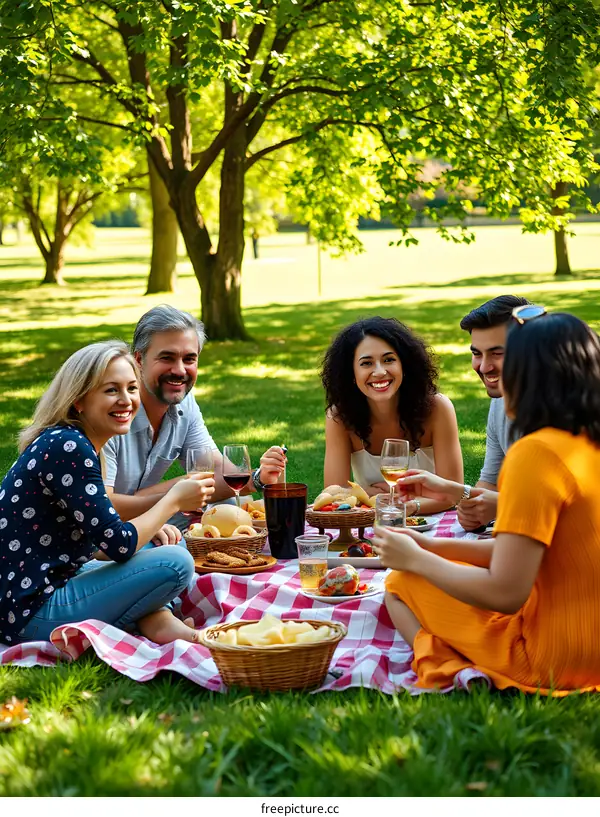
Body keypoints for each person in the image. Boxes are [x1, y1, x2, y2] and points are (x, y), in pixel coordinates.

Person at [375, 309, 600, 694]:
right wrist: (430, 544)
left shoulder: (535, 455)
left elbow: (506, 592)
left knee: (401, 582)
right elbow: (532, 550)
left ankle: (439, 663)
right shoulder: (586, 444)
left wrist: (416, 559)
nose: (491, 372)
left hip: (552, 662)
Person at [0, 341, 216, 647]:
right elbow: (120, 546)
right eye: (111, 390)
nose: (126, 400)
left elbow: (92, 543)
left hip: (37, 588)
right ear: (79, 400)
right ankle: (156, 623)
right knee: (175, 562)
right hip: (29, 612)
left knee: (151, 552)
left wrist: (151, 532)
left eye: (131, 388)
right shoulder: (69, 447)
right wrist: (173, 501)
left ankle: (162, 625)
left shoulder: (70, 440)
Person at [103, 305, 286, 529]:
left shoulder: (183, 403)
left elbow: (220, 474)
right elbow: (103, 508)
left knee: (233, 507)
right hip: (98, 535)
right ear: (138, 360)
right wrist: (178, 493)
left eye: (189, 359)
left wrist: (260, 477)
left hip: (144, 518)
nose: (179, 370)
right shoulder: (112, 409)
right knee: (180, 553)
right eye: (167, 358)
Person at [321, 316, 463, 516]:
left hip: (435, 523)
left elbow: (454, 494)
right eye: (366, 363)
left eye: (389, 360)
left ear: (405, 365)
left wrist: (408, 505)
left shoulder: (438, 408)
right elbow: (336, 497)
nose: (379, 372)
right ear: (351, 374)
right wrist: (383, 498)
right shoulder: (339, 418)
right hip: (373, 525)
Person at [456, 294, 530, 530]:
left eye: (497, 354)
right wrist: (472, 509)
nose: (484, 366)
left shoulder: (567, 410)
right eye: (477, 353)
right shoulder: (501, 402)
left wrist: (499, 505)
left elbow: (562, 505)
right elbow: (490, 481)